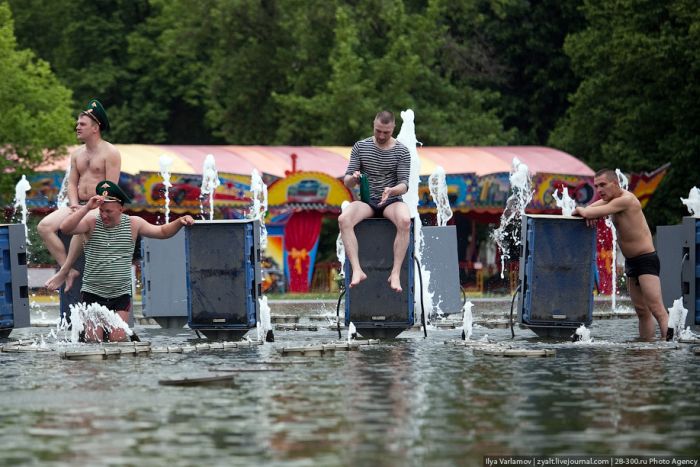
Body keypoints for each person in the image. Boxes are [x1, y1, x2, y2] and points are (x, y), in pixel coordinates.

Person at [60, 180, 195, 342]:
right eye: (101, 210)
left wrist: (180, 221)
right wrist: (87, 208)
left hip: (120, 294)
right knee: (93, 341)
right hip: (93, 293)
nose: (104, 215)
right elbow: (65, 228)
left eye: (108, 211)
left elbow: (162, 231)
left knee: (117, 340)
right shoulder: (91, 222)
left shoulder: (133, 223)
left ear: (121, 208)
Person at [574, 169, 669, 341]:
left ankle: (672, 346)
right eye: (596, 186)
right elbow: (585, 209)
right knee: (641, 311)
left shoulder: (626, 199)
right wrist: (585, 212)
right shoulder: (610, 200)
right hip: (632, 261)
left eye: (603, 185)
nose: (599, 190)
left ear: (616, 184)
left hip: (646, 259)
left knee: (657, 309)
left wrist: (587, 213)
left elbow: (588, 212)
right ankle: (646, 346)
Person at [39, 99, 121, 292]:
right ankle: (69, 271)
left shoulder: (111, 152)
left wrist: (93, 207)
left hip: (99, 206)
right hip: (79, 205)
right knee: (44, 227)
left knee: (78, 225)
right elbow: (72, 182)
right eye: (77, 123)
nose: (77, 127)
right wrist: (75, 204)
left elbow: (111, 188)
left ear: (95, 127)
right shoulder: (77, 154)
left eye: (82, 124)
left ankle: (63, 270)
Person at [338, 110, 411, 292]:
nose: (381, 135)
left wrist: (392, 190)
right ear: (374, 125)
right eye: (378, 130)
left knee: (405, 221)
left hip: (391, 200)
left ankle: (395, 273)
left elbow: (404, 184)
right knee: (343, 219)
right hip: (367, 201)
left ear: (393, 127)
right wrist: (353, 178)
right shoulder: (360, 147)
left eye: (386, 132)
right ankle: (357, 270)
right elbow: (346, 180)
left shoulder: (402, 151)